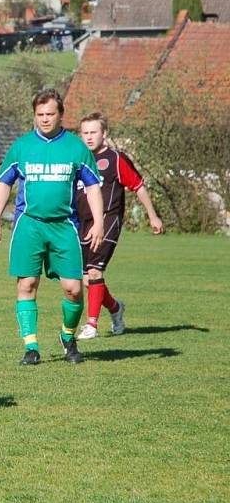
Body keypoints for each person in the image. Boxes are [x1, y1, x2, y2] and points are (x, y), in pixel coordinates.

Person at [0, 89, 104, 365]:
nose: (45, 119)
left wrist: (99, 222)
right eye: (40, 115)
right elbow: (4, 182)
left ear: (61, 114)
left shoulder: (76, 148)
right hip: (29, 226)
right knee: (27, 284)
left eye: (50, 114)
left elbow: (93, 186)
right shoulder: (22, 146)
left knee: (74, 288)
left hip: (65, 227)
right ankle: (31, 347)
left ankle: (67, 336)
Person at [76, 112, 164, 340]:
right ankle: (115, 308)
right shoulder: (78, 160)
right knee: (87, 279)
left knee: (95, 271)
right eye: (84, 132)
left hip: (107, 221)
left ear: (104, 133)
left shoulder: (116, 159)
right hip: (81, 223)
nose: (88, 137)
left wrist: (153, 216)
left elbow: (139, 186)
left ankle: (91, 325)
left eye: (93, 132)